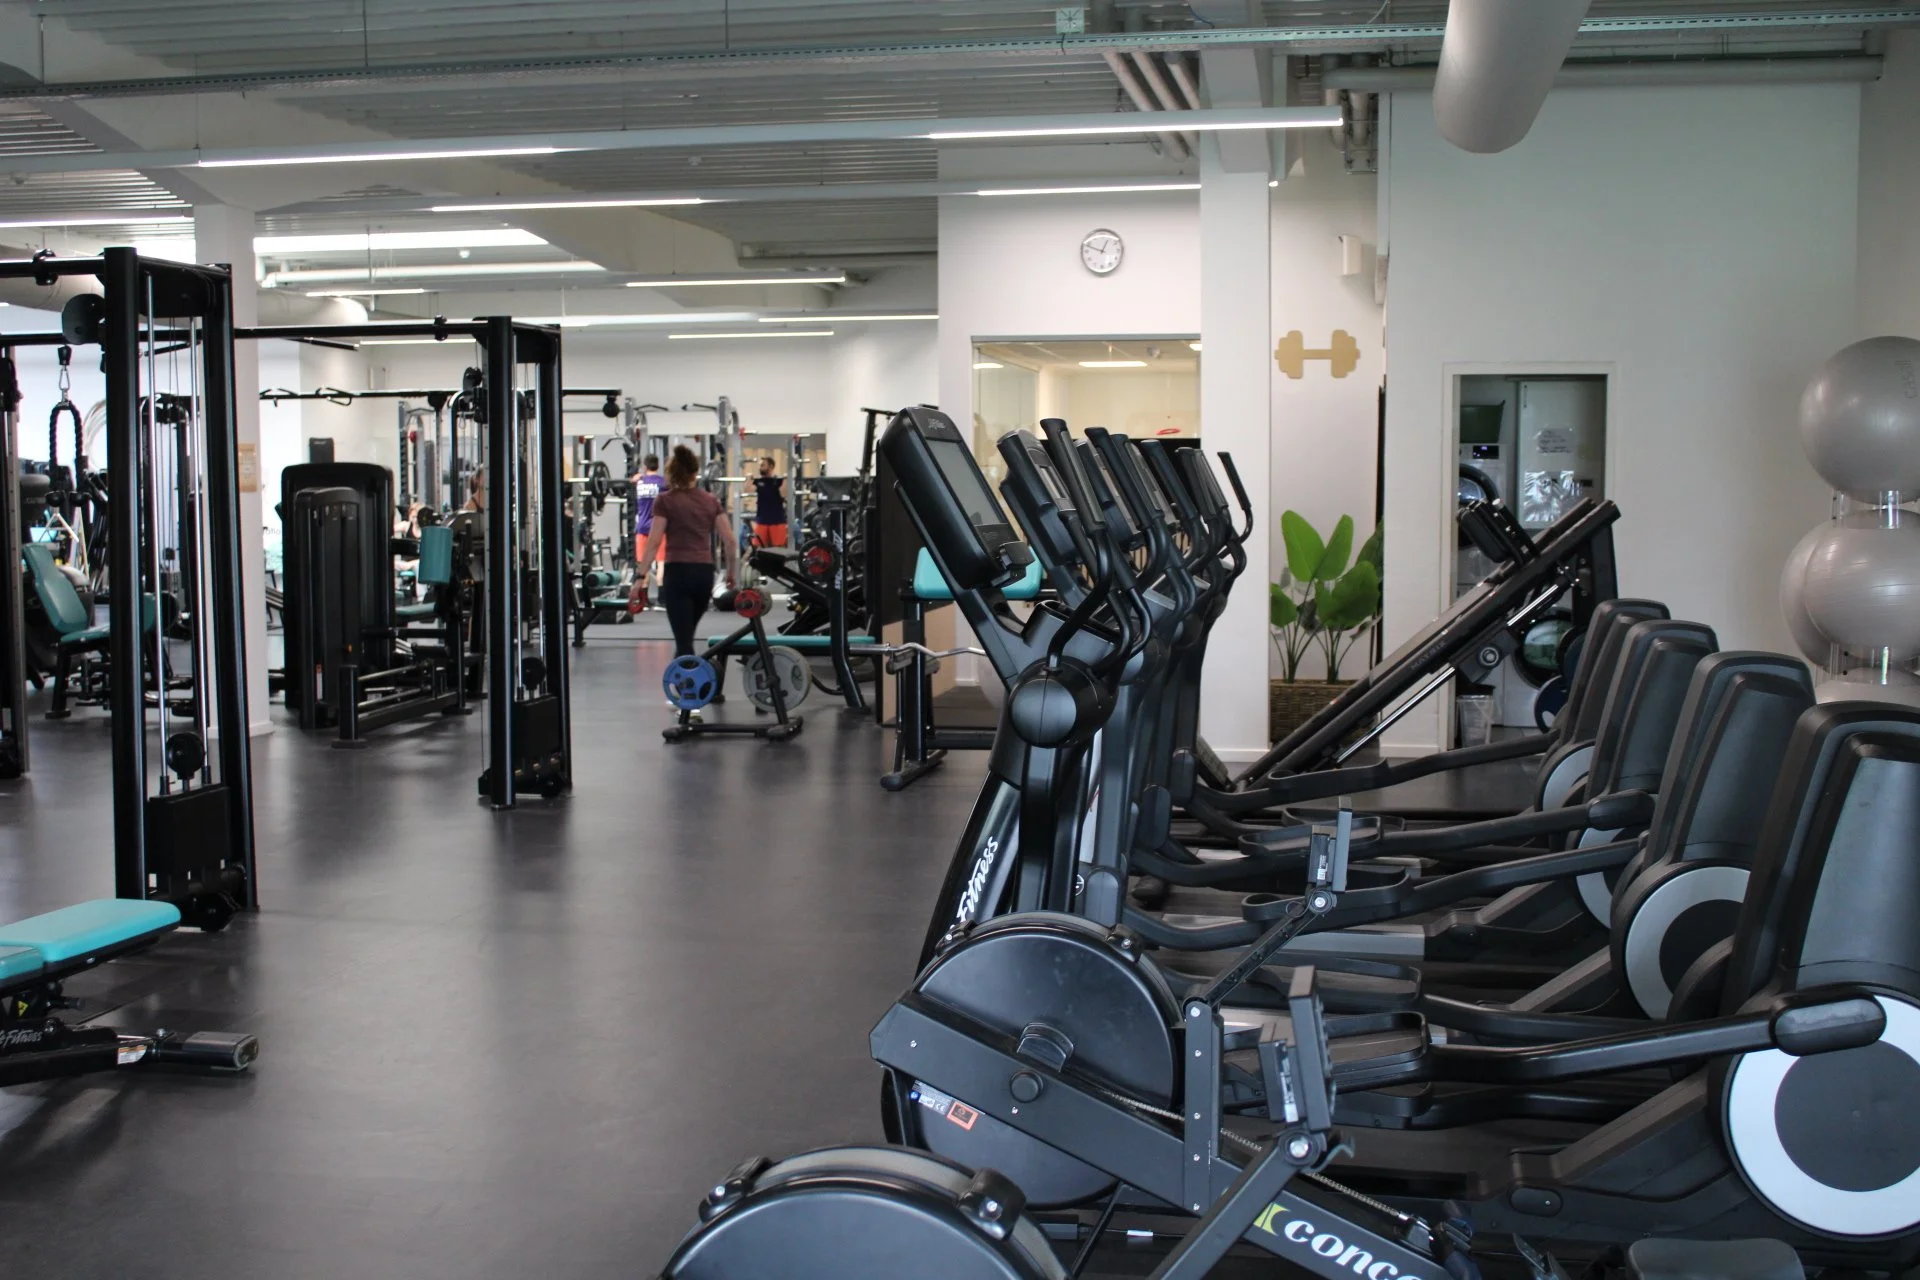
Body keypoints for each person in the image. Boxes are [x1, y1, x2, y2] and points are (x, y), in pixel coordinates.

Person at [633, 445, 739, 658]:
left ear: (672, 473)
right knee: (686, 638)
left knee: (684, 643)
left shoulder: (665, 500)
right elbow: (730, 541)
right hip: (703, 575)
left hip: (678, 574)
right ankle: (688, 674)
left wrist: (639, 578)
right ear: (695, 472)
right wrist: (730, 573)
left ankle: (692, 678)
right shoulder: (710, 500)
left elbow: (654, 542)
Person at [631, 453, 664, 570]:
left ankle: (644, 583)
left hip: (642, 528)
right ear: (658, 466)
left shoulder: (639, 482)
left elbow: (630, 481)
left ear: (645, 467)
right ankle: (661, 582)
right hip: (659, 529)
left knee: (643, 568)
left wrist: (635, 478)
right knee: (661, 564)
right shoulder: (663, 482)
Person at [750, 456, 788, 548]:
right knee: (757, 547)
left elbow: (783, 494)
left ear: (771, 466)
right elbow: (748, 490)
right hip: (762, 520)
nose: (760, 467)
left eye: (763, 465)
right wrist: (748, 479)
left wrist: (786, 480)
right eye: (760, 465)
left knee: (779, 549)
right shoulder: (758, 481)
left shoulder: (778, 481)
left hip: (777, 520)